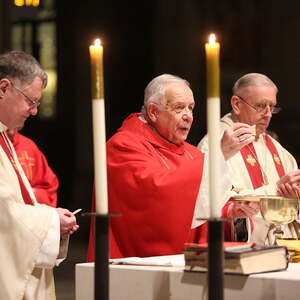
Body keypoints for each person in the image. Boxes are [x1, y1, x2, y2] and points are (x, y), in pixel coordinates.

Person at [87, 74, 258, 260]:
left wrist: (230, 213)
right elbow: (158, 200)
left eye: (191, 108)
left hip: (190, 266)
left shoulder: (192, 153)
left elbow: (197, 211)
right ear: (153, 112)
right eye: (179, 108)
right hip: (139, 267)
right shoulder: (123, 147)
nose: (188, 116)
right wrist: (220, 154)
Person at [0, 50, 79, 300]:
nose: (34, 111)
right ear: (4, 88)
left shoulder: (4, 137)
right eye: (30, 101)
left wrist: (51, 216)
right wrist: (51, 221)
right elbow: (3, 212)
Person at [198, 73, 300, 245]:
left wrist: (295, 200)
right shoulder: (215, 145)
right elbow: (219, 205)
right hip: (241, 255)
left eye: (272, 107)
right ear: (236, 104)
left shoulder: (280, 152)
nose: (268, 114)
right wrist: (276, 191)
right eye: (260, 106)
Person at [7, 129, 58, 207]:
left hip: (31, 212)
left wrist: (31, 193)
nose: (10, 129)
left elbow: (49, 188)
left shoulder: (28, 145)